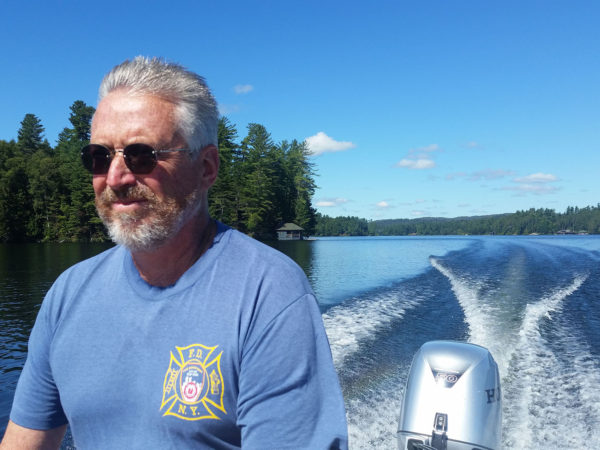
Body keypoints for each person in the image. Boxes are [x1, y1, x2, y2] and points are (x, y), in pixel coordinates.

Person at [1, 57, 348, 449]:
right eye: (99, 157)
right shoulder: (68, 294)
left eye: (141, 155)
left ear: (206, 167)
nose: (115, 178)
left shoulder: (269, 294)